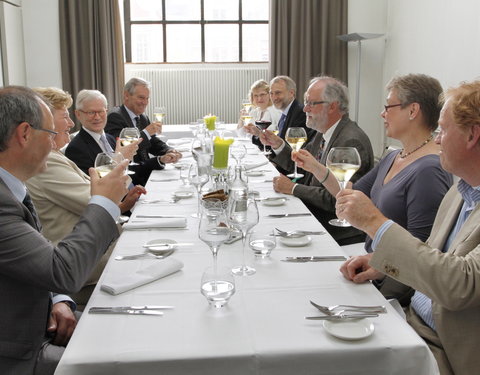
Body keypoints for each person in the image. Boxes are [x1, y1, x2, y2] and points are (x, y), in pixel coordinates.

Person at [336, 80, 480, 375]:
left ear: (472, 135)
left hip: (445, 349)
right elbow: (433, 253)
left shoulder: (433, 172)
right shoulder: (460, 191)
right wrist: (383, 264)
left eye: (442, 130)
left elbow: (459, 284)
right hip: (411, 319)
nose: (437, 140)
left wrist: (376, 223)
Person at [0, 86, 128, 374]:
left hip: (44, 319)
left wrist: (57, 298)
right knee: (134, 361)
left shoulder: (12, 186)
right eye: (50, 134)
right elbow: (63, 272)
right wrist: (105, 202)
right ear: (24, 134)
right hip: (20, 350)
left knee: (131, 332)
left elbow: (37, 253)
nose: (56, 143)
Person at [293, 74, 453, 303]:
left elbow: (422, 249)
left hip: (392, 282)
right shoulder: (394, 156)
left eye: (388, 106)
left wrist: (379, 268)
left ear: (412, 110)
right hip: (374, 263)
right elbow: (350, 193)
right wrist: (316, 168)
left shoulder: (429, 169)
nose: (382, 113)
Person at [26, 87, 146, 306]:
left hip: (94, 255)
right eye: (65, 117)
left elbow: (100, 198)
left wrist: (119, 204)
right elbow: (96, 201)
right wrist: (120, 160)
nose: (71, 124)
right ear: (45, 122)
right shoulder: (47, 162)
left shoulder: (55, 156)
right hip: (86, 271)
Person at [260, 76, 374, 245]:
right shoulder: (323, 131)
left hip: (335, 227)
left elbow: (336, 199)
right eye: (306, 102)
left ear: (332, 106)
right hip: (315, 212)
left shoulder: (350, 142)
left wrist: (293, 188)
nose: (305, 108)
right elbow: (302, 167)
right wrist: (278, 145)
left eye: (311, 103)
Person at [105, 77, 182, 185]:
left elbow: (153, 142)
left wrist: (168, 150)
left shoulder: (142, 117)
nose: (145, 102)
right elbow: (123, 150)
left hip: (147, 171)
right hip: (131, 178)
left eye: (147, 98)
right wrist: (146, 133)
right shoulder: (115, 116)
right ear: (126, 95)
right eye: (141, 97)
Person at [65, 89, 142, 177]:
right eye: (91, 112)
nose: (97, 117)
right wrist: (120, 159)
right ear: (78, 114)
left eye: (101, 111)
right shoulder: (76, 149)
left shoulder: (110, 138)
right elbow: (95, 185)